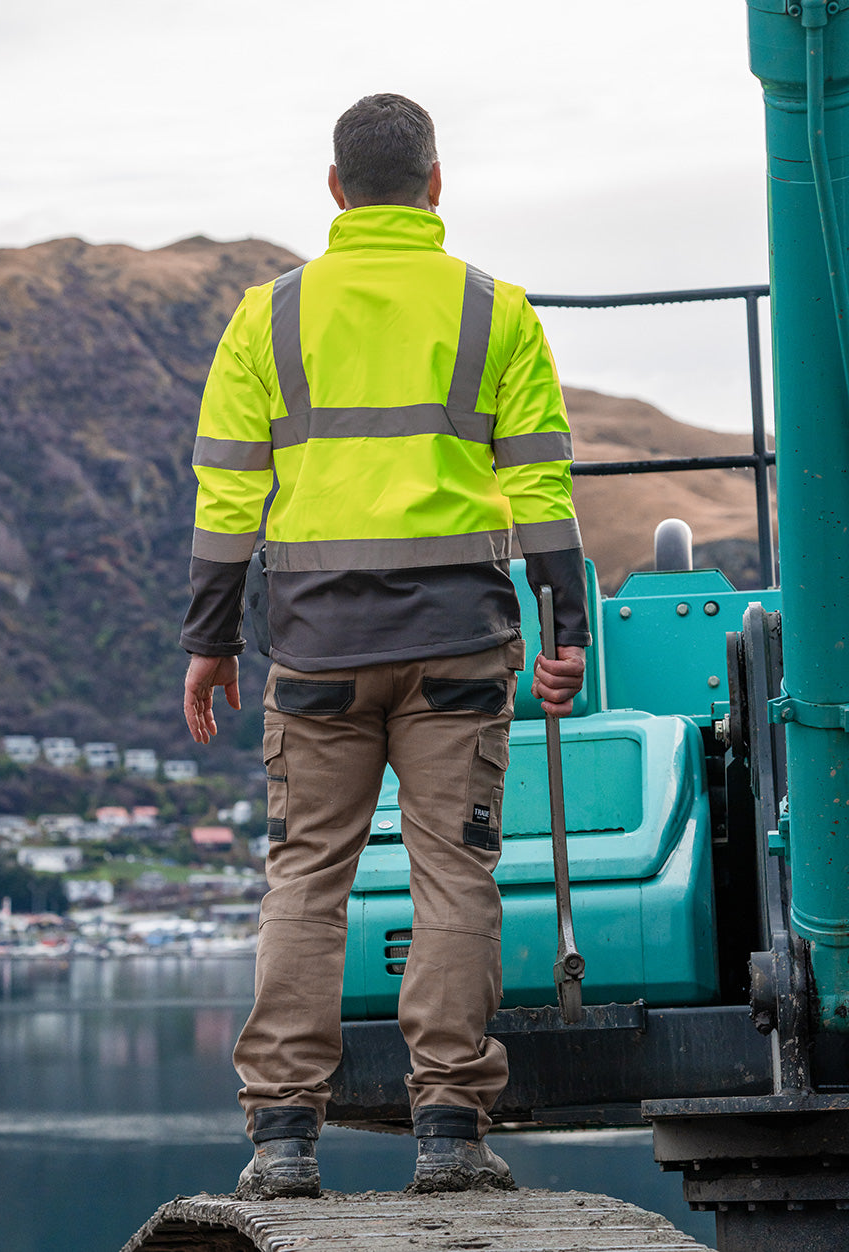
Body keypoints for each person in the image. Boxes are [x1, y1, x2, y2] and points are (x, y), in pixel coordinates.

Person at [181, 93, 590, 1199]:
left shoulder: (266, 317)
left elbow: (228, 497)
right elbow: (542, 488)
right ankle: (452, 1130)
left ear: (334, 191)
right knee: (453, 874)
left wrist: (209, 642)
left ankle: (280, 1141)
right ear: (436, 183)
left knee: (305, 876)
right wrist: (566, 630)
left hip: (315, 646)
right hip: (460, 645)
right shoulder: (494, 313)